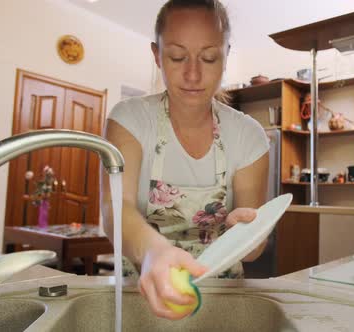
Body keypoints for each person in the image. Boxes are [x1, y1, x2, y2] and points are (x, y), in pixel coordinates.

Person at [100, 0, 269, 320]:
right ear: (156, 54)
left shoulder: (248, 135)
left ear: (226, 55)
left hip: (223, 305)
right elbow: (114, 207)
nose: (193, 73)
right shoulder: (130, 119)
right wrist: (153, 251)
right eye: (177, 56)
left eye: (208, 57)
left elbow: (255, 247)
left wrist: (247, 235)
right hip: (141, 298)